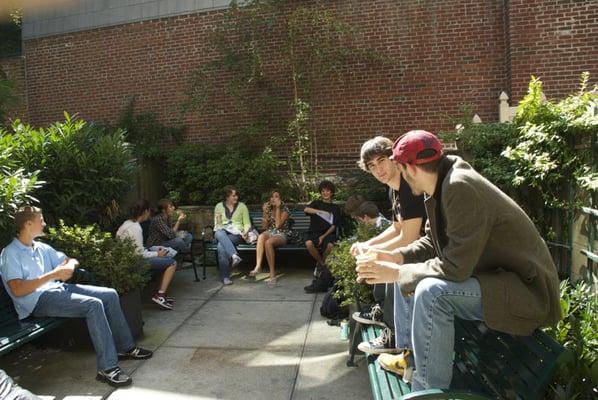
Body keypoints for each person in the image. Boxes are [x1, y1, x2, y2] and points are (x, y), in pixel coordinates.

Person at [356, 130, 562, 391]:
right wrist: (393, 257)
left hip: (527, 292)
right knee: (409, 274)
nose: (402, 178)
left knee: (433, 292)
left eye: (400, 168)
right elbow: (432, 242)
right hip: (497, 281)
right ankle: (410, 358)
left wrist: (396, 273)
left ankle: (426, 392)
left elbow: (455, 268)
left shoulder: (459, 187)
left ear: (410, 168)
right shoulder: (441, 184)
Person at [0, 206, 153, 387]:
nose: (44, 223)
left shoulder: (40, 247)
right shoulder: (10, 254)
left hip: (58, 290)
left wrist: (69, 267)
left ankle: (126, 348)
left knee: (110, 294)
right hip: (36, 301)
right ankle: (107, 368)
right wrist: (52, 275)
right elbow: (17, 290)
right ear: (27, 223)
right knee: (93, 305)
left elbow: (69, 260)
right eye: (41, 220)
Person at [351, 136, 427, 357]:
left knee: (392, 263)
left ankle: (395, 337)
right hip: (417, 249)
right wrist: (367, 244)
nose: (378, 169)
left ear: (394, 159)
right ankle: (383, 313)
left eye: (382, 160)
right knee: (380, 257)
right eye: (372, 166)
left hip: (427, 253)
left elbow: (409, 237)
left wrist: (376, 252)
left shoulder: (409, 187)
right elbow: (396, 228)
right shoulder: (394, 188)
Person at [116, 199, 177, 310]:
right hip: (135, 262)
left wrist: (154, 253)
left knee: (164, 260)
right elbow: (139, 254)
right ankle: (160, 295)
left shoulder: (127, 223)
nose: (149, 213)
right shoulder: (136, 228)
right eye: (148, 211)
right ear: (145, 212)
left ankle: (160, 292)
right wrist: (156, 254)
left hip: (128, 259)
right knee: (172, 263)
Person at [303, 180, 341, 293]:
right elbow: (306, 209)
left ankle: (321, 267)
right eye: (323, 191)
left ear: (332, 192)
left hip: (328, 233)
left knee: (330, 246)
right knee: (308, 243)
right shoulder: (316, 203)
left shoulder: (335, 208)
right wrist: (320, 212)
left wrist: (323, 237)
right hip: (314, 232)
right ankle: (322, 264)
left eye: (328, 191)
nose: (325, 193)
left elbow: (334, 225)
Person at [249, 190, 291, 287]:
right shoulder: (268, 208)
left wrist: (277, 208)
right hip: (271, 232)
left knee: (268, 243)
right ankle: (258, 266)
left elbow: (277, 225)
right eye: (272, 197)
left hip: (282, 234)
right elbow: (264, 227)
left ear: (280, 199)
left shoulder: (285, 210)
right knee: (261, 236)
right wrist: (264, 212)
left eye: (276, 197)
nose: (273, 199)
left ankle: (272, 274)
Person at [213, 185, 251, 285]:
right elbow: (217, 225)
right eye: (233, 196)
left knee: (221, 246)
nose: (236, 197)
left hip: (237, 234)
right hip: (223, 233)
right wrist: (219, 220)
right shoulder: (218, 206)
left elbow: (247, 223)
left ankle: (225, 276)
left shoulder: (242, 206)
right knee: (219, 232)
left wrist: (246, 231)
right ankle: (234, 255)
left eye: (236, 195)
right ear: (227, 197)